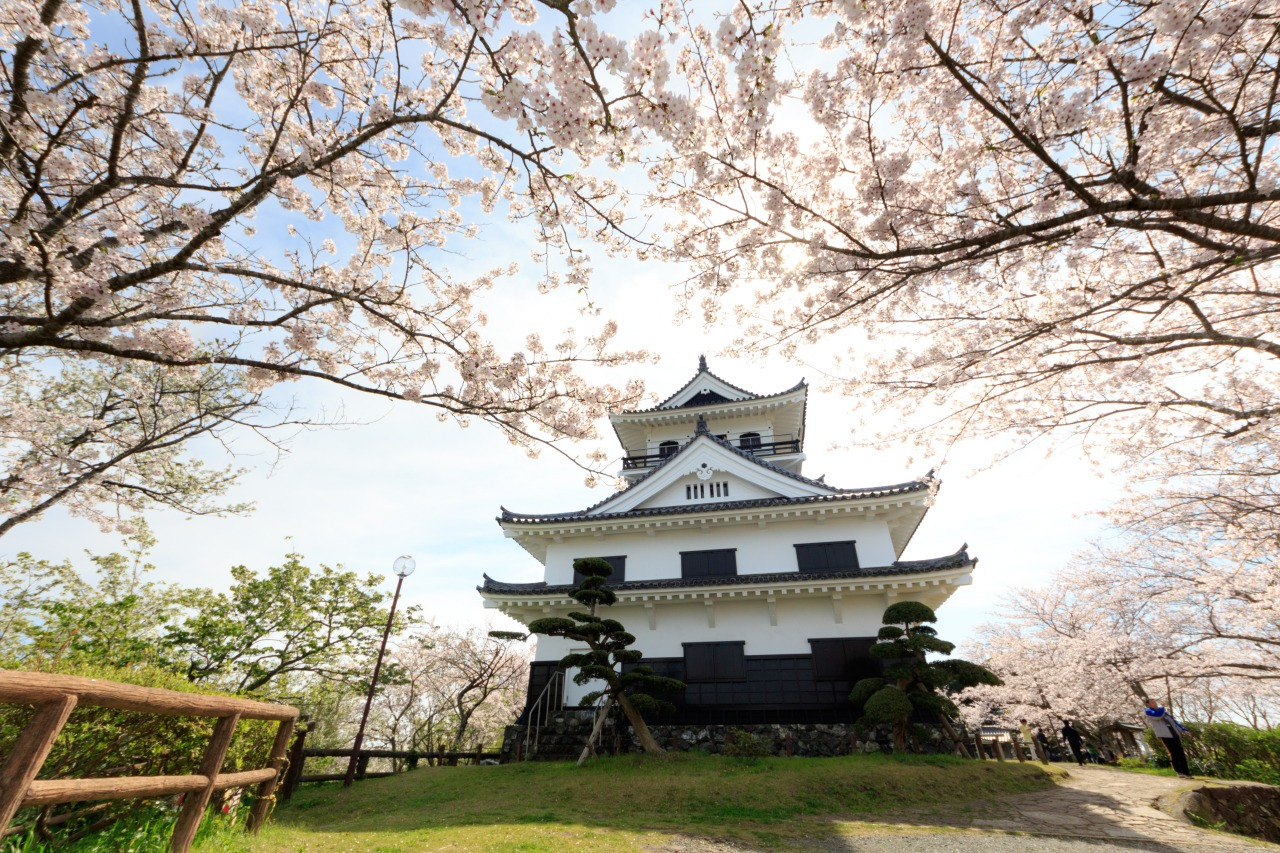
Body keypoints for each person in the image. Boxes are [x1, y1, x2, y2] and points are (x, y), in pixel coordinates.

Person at [1142, 698, 1193, 778]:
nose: (1154, 703)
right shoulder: (1148, 711)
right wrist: (1162, 707)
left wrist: (1184, 730)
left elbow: (1174, 722)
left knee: (1181, 753)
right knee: (1173, 753)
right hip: (1165, 735)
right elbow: (1158, 716)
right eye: (1152, 702)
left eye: (1154, 701)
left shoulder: (1163, 712)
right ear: (1148, 704)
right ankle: (1179, 771)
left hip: (1174, 734)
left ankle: (1186, 772)